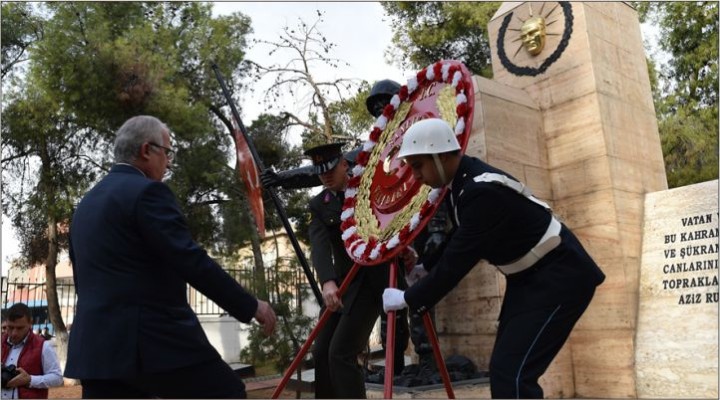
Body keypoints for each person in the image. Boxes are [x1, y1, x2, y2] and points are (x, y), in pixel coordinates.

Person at [382, 118, 606, 399]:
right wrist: (423, 266)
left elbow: (457, 262)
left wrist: (408, 298)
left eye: (418, 166)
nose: (415, 176)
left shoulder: (480, 191)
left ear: (440, 156)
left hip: (560, 275)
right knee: (504, 372)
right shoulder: (462, 185)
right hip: (529, 279)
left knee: (513, 376)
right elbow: (460, 238)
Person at [65, 115, 277, 399]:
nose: (169, 163)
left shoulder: (85, 205)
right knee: (227, 393)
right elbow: (191, 260)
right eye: (167, 152)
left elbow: (85, 280)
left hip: (96, 351)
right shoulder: (148, 192)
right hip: (151, 343)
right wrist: (251, 306)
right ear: (146, 150)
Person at [301, 142, 415, 398]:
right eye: (321, 173)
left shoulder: (369, 188)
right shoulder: (319, 205)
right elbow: (319, 245)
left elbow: (393, 219)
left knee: (340, 352)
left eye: (331, 169)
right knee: (321, 352)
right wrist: (327, 281)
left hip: (372, 282)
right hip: (342, 285)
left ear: (344, 164)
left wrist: (405, 247)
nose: (326, 176)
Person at [1, 303, 63, 399]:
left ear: (30, 323)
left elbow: (57, 378)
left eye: (20, 328)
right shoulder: (1, 342)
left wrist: (30, 380)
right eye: (10, 327)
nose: (14, 333)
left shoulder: (43, 346)